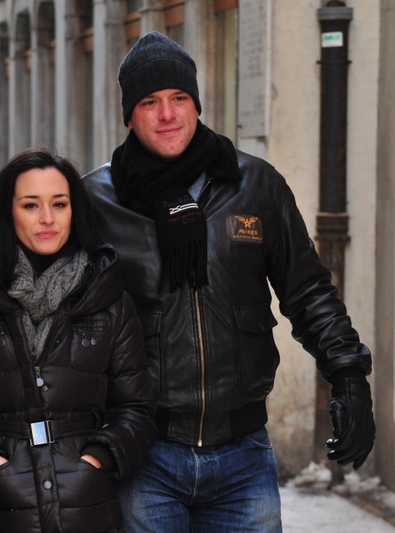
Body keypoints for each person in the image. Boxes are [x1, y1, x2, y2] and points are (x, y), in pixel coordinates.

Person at [81, 32, 376, 532]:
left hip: (243, 455)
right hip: (143, 453)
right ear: (129, 115)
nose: (167, 114)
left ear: (197, 105)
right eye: (150, 102)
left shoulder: (255, 185)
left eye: (179, 98)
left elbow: (307, 291)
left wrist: (348, 374)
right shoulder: (96, 200)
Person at [0, 148, 158, 533]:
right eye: (30, 205)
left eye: (59, 204)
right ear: (8, 213)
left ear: (75, 211)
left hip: (87, 506)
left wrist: (98, 460)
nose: (47, 219)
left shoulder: (108, 299)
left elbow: (136, 408)